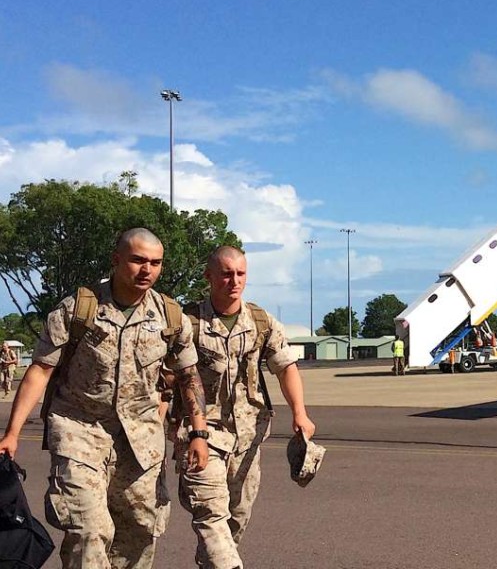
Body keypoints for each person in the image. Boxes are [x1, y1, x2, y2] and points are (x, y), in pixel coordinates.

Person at [0, 227, 210, 569]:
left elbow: (188, 375)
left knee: (140, 532)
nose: (147, 270)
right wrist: (13, 432)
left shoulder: (170, 317)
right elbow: (40, 369)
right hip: (79, 431)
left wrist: (199, 434)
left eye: (155, 263)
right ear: (116, 260)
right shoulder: (79, 309)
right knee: (89, 529)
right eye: (138, 260)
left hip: (141, 439)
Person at [174, 246, 314, 569]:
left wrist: (299, 412)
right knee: (211, 515)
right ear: (209, 277)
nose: (233, 281)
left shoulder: (260, 321)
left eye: (240, 274)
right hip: (201, 435)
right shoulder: (189, 323)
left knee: (236, 520)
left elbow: (285, 366)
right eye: (225, 274)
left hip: (248, 439)